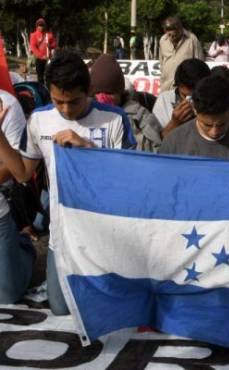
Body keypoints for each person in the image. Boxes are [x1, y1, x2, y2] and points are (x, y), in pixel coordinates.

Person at [0, 50, 136, 315]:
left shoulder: (115, 119)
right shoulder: (39, 119)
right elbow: (23, 174)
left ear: (89, 91)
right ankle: (29, 250)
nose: (65, 109)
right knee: (61, 309)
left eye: (73, 102)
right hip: (63, 233)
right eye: (57, 101)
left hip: (106, 233)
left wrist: (88, 150)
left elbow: (127, 180)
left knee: (105, 307)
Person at [153, 59, 229, 139]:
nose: (191, 102)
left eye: (197, 98)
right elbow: (157, 143)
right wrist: (174, 123)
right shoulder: (164, 100)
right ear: (178, 87)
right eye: (184, 96)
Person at [0, 89, 35, 304]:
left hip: (5, 194)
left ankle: (23, 245)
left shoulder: (7, 104)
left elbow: (17, 167)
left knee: (6, 295)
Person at [90, 54, 163, 152]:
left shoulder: (139, 115)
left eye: (109, 93)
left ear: (120, 93)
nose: (104, 98)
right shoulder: (86, 112)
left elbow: (156, 148)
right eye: (98, 93)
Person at [159, 16, 204, 92]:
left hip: (186, 88)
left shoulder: (191, 39)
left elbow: (199, 65)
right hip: (166, 86)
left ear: (180, 29)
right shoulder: (163, 40)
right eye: (167, 31)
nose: (169, 35)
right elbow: (161, 61)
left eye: (173, 32)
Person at [30, 18, 56, 85]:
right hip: (39, 59)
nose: (41, 27)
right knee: (40, 76)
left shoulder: (49, 34)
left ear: (45, 26)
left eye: (42, 25)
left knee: (49, 75)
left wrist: (50, 45)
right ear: (36, 26)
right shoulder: (33, 35)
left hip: (49, 59)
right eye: (39, 25)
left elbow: (54, 44)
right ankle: (41, 90)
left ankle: (49, 90)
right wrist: (41, 56)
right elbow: (33, 47)